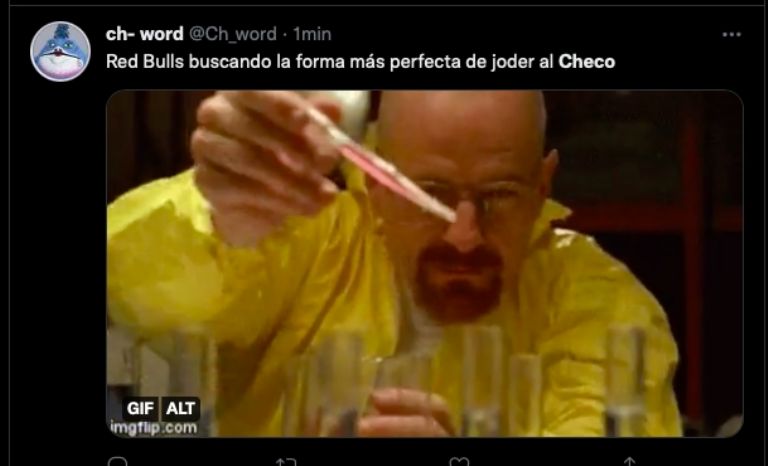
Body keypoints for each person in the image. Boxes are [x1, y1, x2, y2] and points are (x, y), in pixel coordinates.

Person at [107, 90, 682, 437]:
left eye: (499, 195)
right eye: (429, 195)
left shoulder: (596, 301)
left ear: (542, 185)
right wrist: (218, 219)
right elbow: (134, 295)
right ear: (377, 182)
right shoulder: (305, 238)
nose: (464, 235)